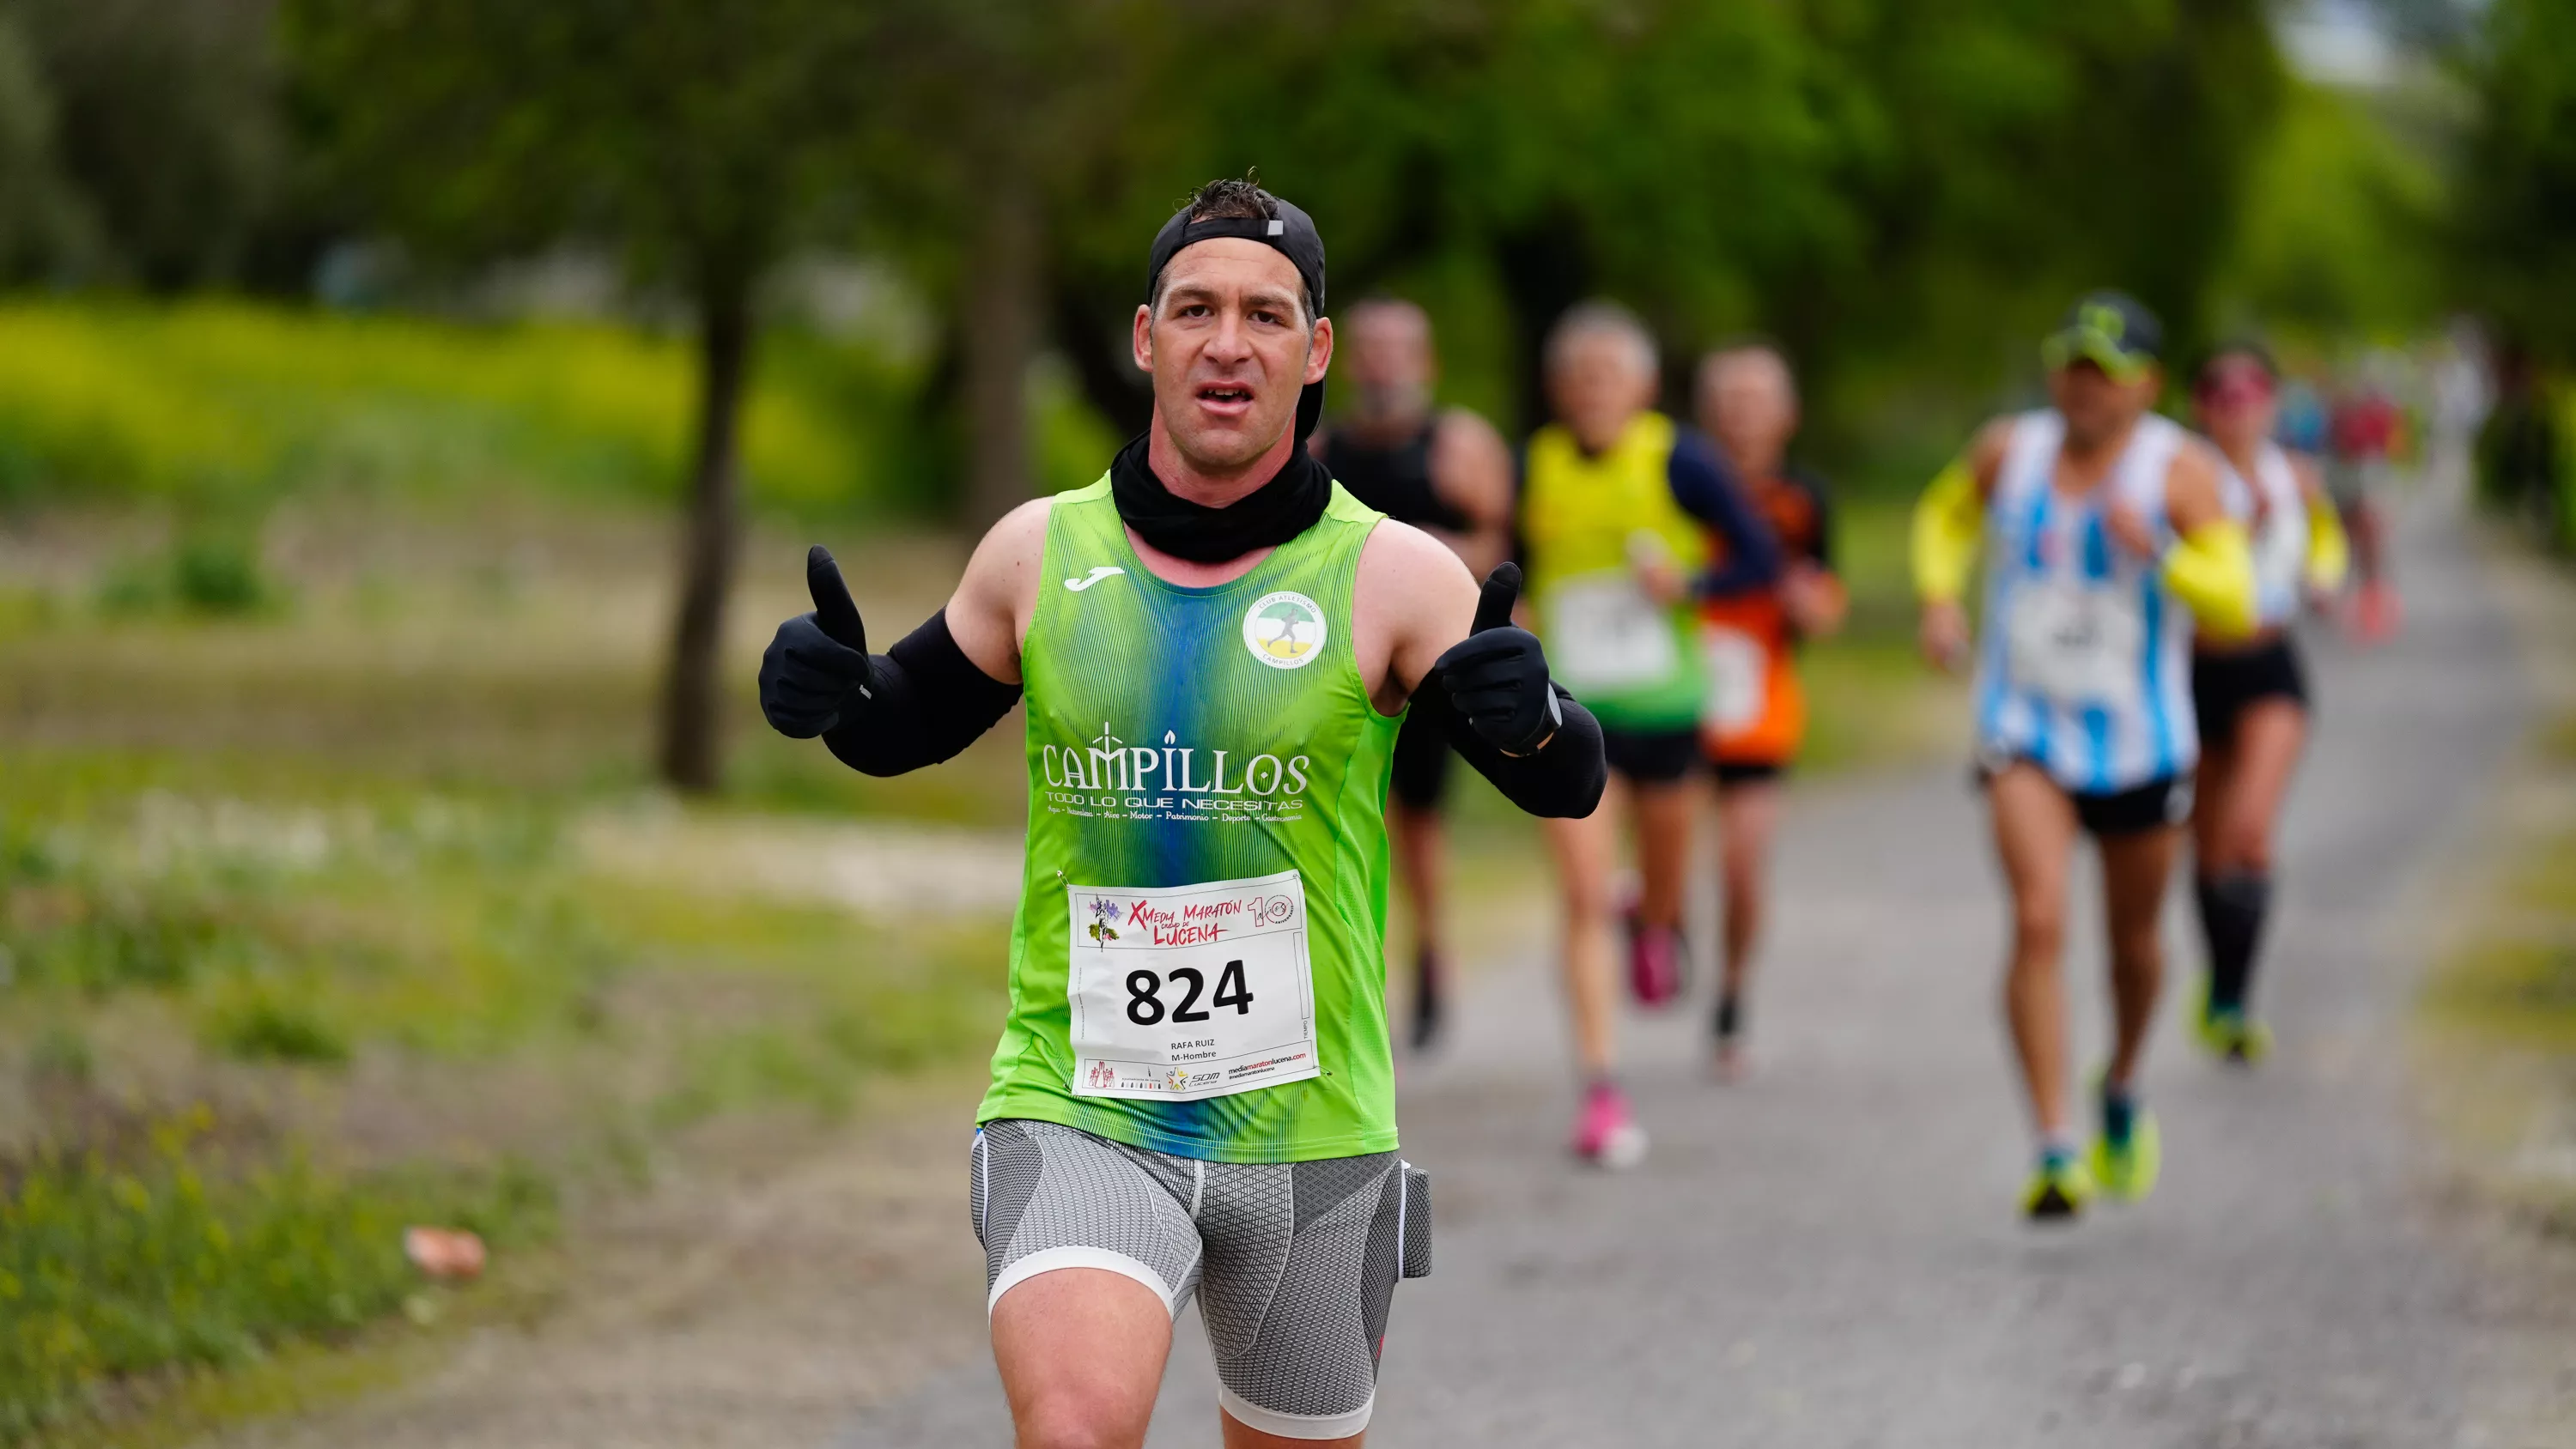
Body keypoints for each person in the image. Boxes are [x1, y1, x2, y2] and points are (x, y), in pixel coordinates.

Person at [757, 179, 1606, 1446]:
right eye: (1196, 309)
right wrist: (832, 690)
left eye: (1266, 316)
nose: (1228, 342)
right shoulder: (1040, 553)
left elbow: (1568, 778)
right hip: (1080, 1103)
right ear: (1145, 336)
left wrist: (1530, 712)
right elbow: (900, 724)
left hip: (1311, 1131)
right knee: (1075, 1428)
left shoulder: (1394, 574)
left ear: (1313, 355)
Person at [1911, 291, 2257, 1222]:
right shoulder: (2007, 452)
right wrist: (1941, 596)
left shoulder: (2177, 471)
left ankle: (2124, 1079)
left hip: (2141, 740)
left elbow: (2237, 596)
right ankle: (2054, 1142)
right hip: (2025, 727)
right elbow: (1942, 515)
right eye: (2072, 364)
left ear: (2147, 383)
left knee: (2135, 946)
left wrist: (2170, 556)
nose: (2084, 385)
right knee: (2037, 918)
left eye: (2105, 370)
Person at [1521, 301, 1781, 1167]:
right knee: (1583, 897)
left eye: (1610, 375)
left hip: (1667, 714)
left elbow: (1760, 556)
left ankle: (1658, 918)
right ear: (1558, 389)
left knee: (1663, 891)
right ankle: (1601, 1088)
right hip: (1568, 721)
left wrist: (1692, 583)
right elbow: (1505, 557)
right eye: (1578, 377)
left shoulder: (1680, 460)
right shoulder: (1540, 465)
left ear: (1644, 385)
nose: (1593, 391)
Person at [1310, 298, 1515, 1051]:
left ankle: (1432, 957)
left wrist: (1423, 550)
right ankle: (1355, 971)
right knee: (1343, 825)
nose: (1384, 363)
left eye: (1400, 349)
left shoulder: (1457, 445)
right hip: (1343, 664)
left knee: (1420, 827)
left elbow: (1502, 549)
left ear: (1425, 362)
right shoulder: (1325, 446)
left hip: (1431, 661)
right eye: (1371, 349)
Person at [2188, 343, 2349, 1064]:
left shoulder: (2297, 476)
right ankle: (2219, 980)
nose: (2236, 404)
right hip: (2191, 668)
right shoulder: (2180, 477)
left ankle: (2234, 1000)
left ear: (2272, 404)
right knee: (2209, 845)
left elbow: (2324, 540)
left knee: (2251, 831)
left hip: (2270, 665)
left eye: (2250, 391)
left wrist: (2322, 577)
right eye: (2220, 392)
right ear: (2199, 405)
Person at [1691, 343, 1846, 1081]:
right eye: (1730, 398)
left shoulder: (1804, 498)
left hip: (1760, 701)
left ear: (1787, 415)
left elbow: (1826, 602)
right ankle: (1654, 925)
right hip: (1677, 693)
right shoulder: (1682, 482)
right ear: (1706, 412)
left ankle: (1730, 993)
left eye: (1758, 399)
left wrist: (1803, 601)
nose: (1742, 414)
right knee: (1657, 847)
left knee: (1743, 865)